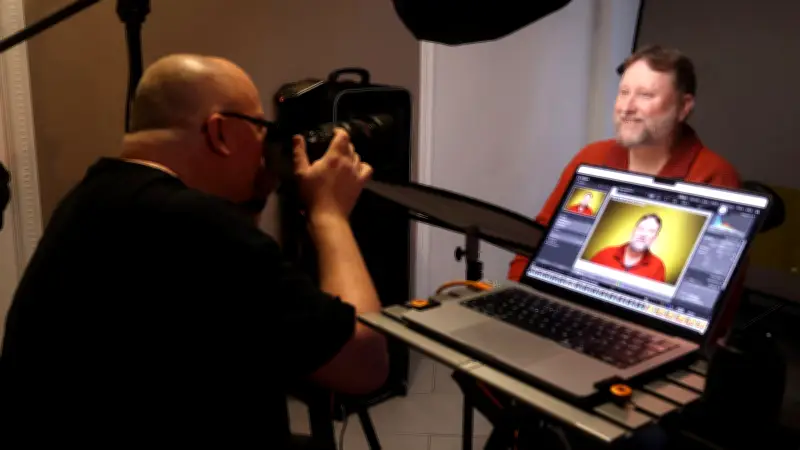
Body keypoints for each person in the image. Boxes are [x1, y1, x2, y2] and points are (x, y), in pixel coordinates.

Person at [0, 54, 389, 447]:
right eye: (259, 128)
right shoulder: (199, 227)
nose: (263, 147)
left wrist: (255, 192)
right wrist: (329, 214)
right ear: (219, 132)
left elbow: (229, 306)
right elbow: (365, 363)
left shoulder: (95, 197)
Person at [508, 45, 740, 282]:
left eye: (645, 95)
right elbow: (536, 241)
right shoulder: (591, 156)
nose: (626, 108)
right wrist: (517, 291)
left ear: (683, 107)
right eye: (623, 92)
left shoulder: (715, 175)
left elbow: (714, 284)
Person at [589, 213, 666, 283]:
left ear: (655, 238)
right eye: (641, 228)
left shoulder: (657, 266)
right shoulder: (606, 253)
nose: (643, 234)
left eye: (651, 231)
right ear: (633, 231)